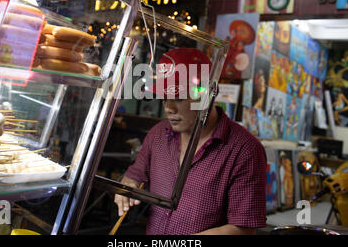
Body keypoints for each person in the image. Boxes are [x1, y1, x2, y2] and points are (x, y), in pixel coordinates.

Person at [114, 47, 267, 235]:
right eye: (164, 98)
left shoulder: (245, 150)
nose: (169, 108)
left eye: (178, 98)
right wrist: (127, 188)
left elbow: (243, 228)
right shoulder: (158, 134)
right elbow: (133, 177)